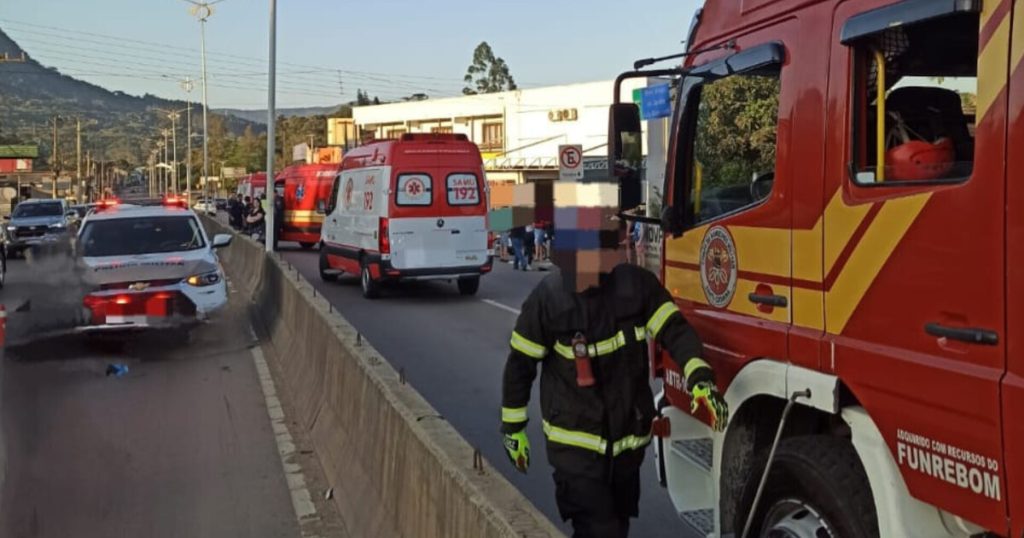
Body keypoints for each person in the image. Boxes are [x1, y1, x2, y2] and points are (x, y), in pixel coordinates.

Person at [500, 181, 728, 538]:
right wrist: (513, 427)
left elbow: (675, 330)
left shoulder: (637, 287)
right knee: (599, 529)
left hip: (626, 441)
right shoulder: (548, 299)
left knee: (616, 524)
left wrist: (699, 376)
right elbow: (520, 365)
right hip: (574, 443)